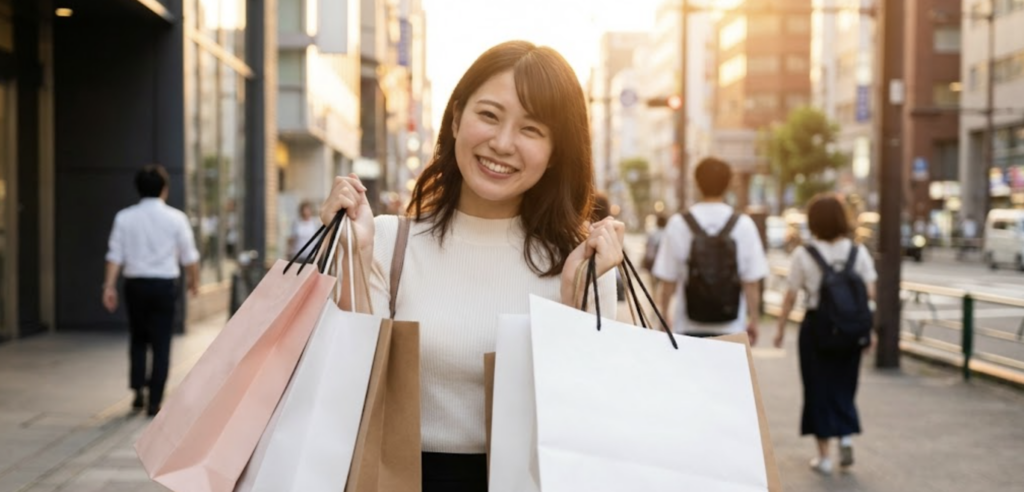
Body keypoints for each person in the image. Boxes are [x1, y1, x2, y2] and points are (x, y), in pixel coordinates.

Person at [318, 40, 622, 492]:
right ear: (457, 117)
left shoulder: (580, 261)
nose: (502, 144)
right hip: (393, 478)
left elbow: (585, 415)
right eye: (489, 115)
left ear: (557, 150)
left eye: (532, 129)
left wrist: (575, 302)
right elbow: (348, 384)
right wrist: (352, 256)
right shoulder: (386, 239)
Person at [772, 193, 877, 475]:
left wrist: (781, 328)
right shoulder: (858, 252)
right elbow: (869, 295)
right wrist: (870, 332)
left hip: (817, 328)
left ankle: (824, 457)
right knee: (845, 385)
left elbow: (791, 295)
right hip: (851, 330)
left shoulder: (804, 254)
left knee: (817, 389)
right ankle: (845, 436)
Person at [102, 165, 200, 417]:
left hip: (135, 285)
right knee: (161, 342)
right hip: (165, 286)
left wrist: (109, 286)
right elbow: (189, 256)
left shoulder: (124, 217)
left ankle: (137, 392)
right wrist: (194, 281)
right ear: (164, 190)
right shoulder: (176, 218)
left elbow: (115, 255)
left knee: (137, 338)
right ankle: (155, 400)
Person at [652, 157, 768, 341]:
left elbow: (668, 280)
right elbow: (751, 281)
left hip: (687, 328)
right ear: (729, 184)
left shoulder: (678, 224)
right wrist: (754, 320)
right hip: (732, 329)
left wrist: (663, 317)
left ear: (697, 183)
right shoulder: (744, 225)